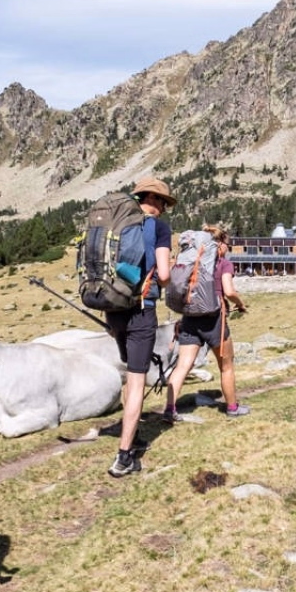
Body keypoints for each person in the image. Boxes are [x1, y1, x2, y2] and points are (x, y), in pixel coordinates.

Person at [106, 176, 174, 477]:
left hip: (112, 308)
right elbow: (163, 274)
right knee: (136, 380)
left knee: (129, 375)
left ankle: (130, 435)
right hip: (141, 310)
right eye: (162, 202)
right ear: (153, 199)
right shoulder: (158, 227)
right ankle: (124, 456)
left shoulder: (117, 222)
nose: (163, 208)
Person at [163, 223, 249, 421]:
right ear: (220, 244)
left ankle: (169, 409)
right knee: (226, 366)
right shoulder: (223, 264)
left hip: (190, 317)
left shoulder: (192, 259)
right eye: (228, 243)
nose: (229, 248)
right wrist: (241, 304)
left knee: (183, 366)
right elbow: (229, 291)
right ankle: (232, 407)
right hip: (213, 320)